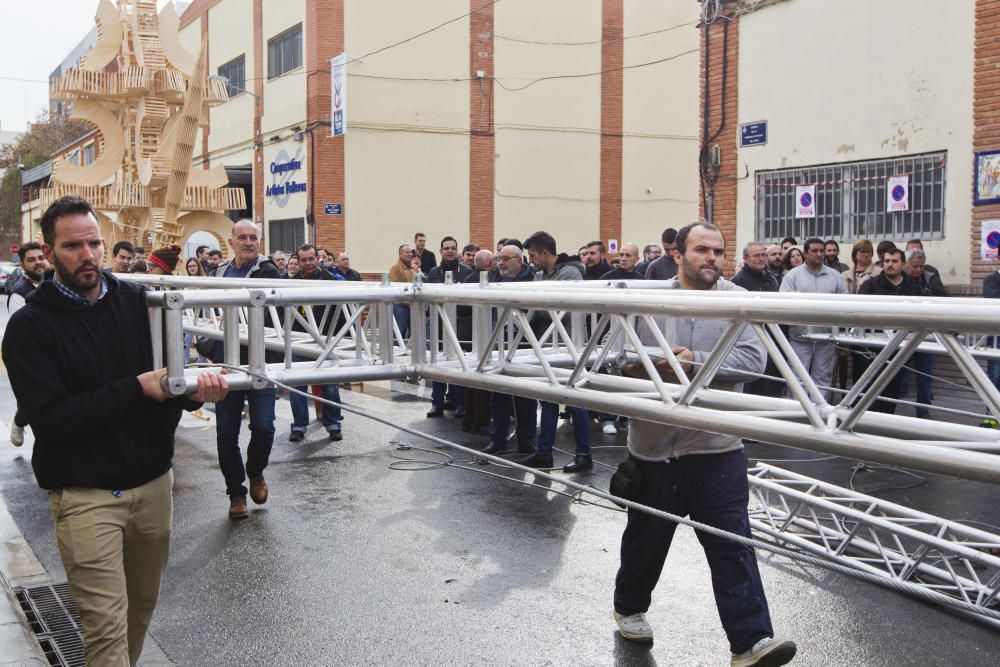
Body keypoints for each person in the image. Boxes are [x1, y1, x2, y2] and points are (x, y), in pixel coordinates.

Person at [2, 196, 228, 666]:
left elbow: (164, 380)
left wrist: (194, 391)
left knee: (139, 613)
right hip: (86, 497)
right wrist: (136, 389)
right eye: (72, 246)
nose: (88, 255)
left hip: (152, 486)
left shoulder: (137, 303)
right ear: (48, 252)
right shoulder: (29, 328)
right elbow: (53, 419)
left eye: (94, 243)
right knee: (105, 629)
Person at [613, 222, 795, 667]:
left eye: (718, 251)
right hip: (654, 447)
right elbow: (617, 356)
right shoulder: (645, 299)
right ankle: (629, 607)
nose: (711, 258)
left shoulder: (738, 302)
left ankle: (751, 642)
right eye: (701, 250)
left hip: (717, 447)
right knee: (646, 541)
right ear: (679, 255)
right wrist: (646, 366)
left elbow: (754, 360)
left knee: (733, 544)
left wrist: (694, 362)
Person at [211, 220, 282, 519]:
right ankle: (236, 494)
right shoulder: (218, 272)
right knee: (226, 432)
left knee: (264, 426)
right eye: (243, 237)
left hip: (261, 362)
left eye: (254, 237)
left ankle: (255, 471)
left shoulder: (268, 271)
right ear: (231, 242)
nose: (249, 242)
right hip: (227, 364)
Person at [517, 231, 592, 472]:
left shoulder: (570, 274)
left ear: (545, 253)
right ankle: (544, 453)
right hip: (548, 344)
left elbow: (565, 309)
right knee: (548, 398)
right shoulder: (541, 274)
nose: (531, 260)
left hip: (569, 344)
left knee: (575, 400)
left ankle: (583, 454)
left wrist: (532, 305)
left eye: (533, 255)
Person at [286, 244, 347, 443]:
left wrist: (339, 340)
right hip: (298, 340)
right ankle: (299, 425)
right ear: (298, 261)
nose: (308, 263)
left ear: (317, 258)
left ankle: (333, 424)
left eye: (311, 258)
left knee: (329, 385)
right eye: (303, 260)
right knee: (297, 386)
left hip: (326, 341)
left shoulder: (331, 281)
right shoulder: (289, 283)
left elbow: (340, 314)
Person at [485, 245, 538, 455]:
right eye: (499, 259)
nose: (501, 263)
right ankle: (498, 439)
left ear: (519, 260)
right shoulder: (492, 279)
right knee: (498, 394)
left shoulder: (532, 280)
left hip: (526, 342)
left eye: (506, 259)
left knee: (526, 395)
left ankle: (526, 440)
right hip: (499, 343)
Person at [779, 238, 848, 400]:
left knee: (822, 378)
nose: (819, 254)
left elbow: (845, 303)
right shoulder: (792, 276)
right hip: (799, 337)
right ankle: (797, 413)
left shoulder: (835, 276)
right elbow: (783, 302)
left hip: (826, 338)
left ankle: (819, 412)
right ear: (806, 253)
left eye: (821, 251)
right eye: (815, 251)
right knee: (797, 377)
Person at [857, 247, 922, 414]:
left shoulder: (913, 287)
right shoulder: (870, 286)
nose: (890, 265)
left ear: (903, 264)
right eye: (887, 261)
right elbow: (859, 314)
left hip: (900, 348)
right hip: (872, 348)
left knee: (893, 388)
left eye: (894, 261)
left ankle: (887, 420)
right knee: (868, 388)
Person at [5, 242, 49, 447]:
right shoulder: (19, 293)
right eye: (31, 260)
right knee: (34, 398)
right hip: (34, 356)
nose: (38, 263)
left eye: (40, 257)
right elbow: (24, 331)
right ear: (23, 265)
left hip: (57, 350)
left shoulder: (55, 283)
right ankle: (19, 421)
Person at [426, 237, 473, 418]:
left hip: (460, 326)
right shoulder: (433, 272)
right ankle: (436, 403)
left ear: (457, 250)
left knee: (458, 364)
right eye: (446, 248)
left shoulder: (467, 271)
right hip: (438, 324)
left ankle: (460, 403)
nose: (450, 251)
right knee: (437, 364)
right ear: (441, 251)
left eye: (453, 248)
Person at [901, 248, 945, 417]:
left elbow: (941, 300)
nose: (918, 270)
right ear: (906, 265)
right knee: (894, 373)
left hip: (925, 334)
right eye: (915, 266)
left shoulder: (931, 278)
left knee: (925, 374)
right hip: (902, 334)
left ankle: (923, 409)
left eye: (921, 266)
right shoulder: (900, 280)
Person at [983, 263, 1000, 428]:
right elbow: (994, 301)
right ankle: (990, 415)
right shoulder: (991, 280)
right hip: (997, 338)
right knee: (994, 376)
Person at [389, 244, 417, 342]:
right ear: (400, 254)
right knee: (398, 334)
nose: (410, 254)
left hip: (412, 306)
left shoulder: (414, 269)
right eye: (407, 252)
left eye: (411, 252)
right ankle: (394, 354)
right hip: (400, 307)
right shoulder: (395, 269)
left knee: (413, 333)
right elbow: (397, 289)